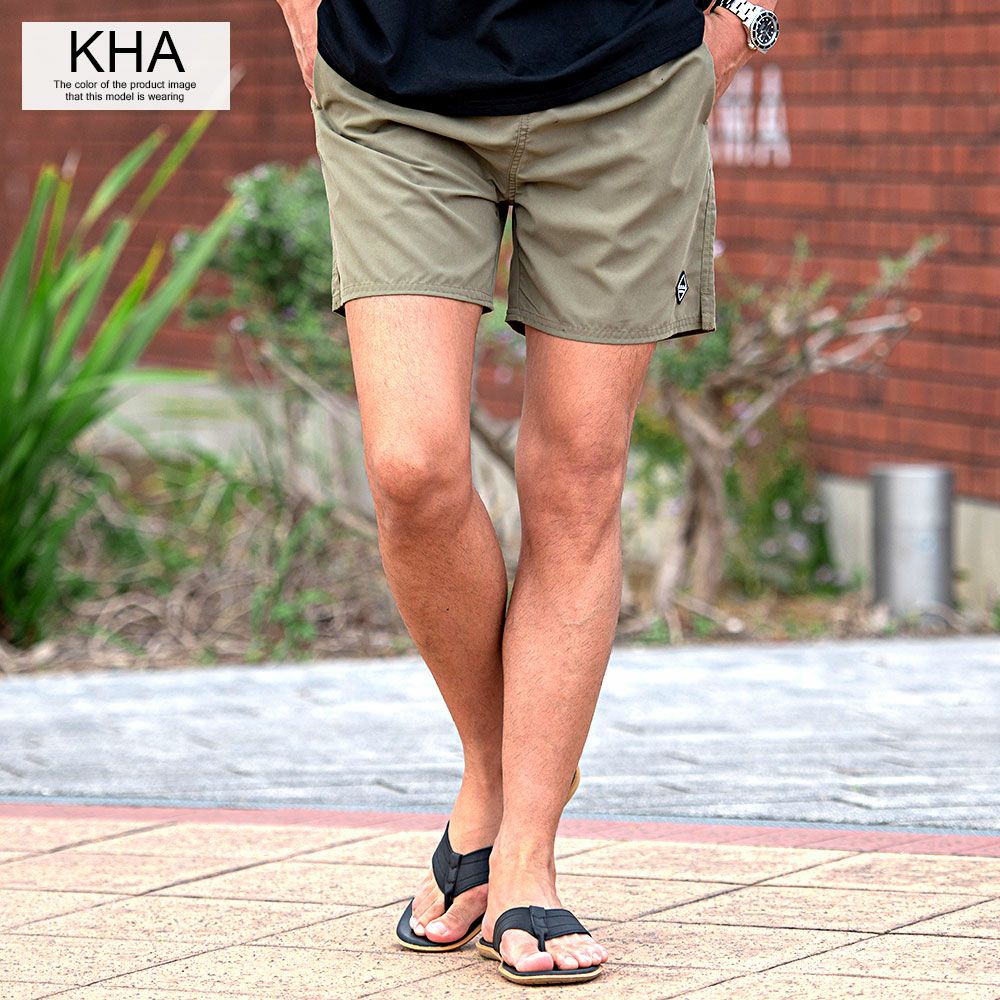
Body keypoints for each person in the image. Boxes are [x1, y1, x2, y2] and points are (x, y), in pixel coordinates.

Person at [276, 0, 779, 985]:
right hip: (392, 81)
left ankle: (524, 852)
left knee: (578, 479)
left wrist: (741, 18)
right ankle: (492, 769)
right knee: (411, 468)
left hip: (625, 80)